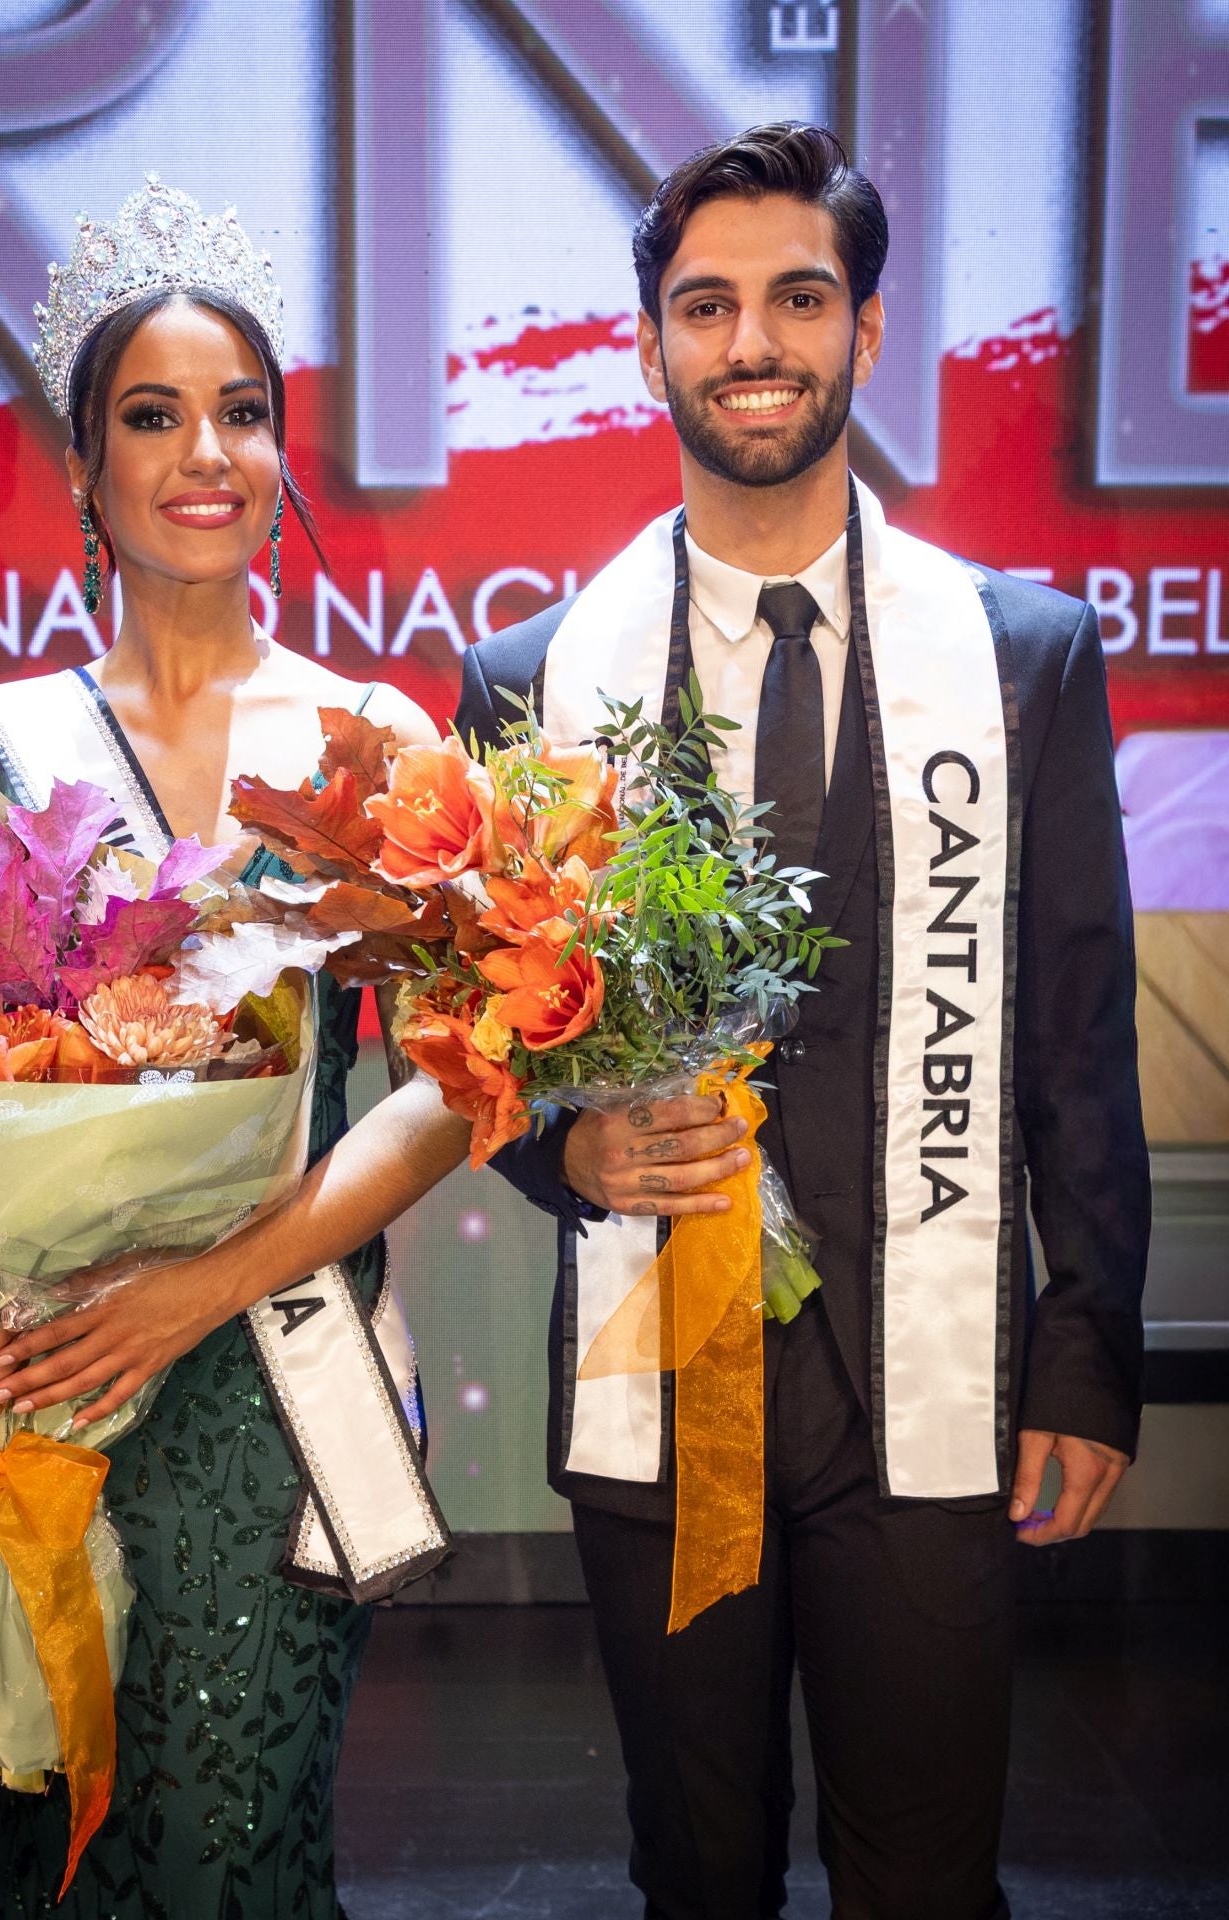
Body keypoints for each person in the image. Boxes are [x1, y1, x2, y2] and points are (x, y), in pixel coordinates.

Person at [454, 123, 1150, 1920]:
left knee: (925, 1878)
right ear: (649, 345)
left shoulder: (1023, 655)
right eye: (707, 305)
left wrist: (1088, 1354)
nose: (750, 340)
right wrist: (566, 1144)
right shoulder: (535, 679)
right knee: (695, 1868)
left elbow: (1076, 1029)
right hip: (662, 1375)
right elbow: (472, 1040)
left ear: (865, 327)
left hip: (933, 1382)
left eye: (795, 297)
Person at [0, 178, 470, 1920]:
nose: (204, 453)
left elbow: (458, 1082)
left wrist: (211, 1279)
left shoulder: (371, 734)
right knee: (68, 1841)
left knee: (243, 1823)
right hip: (51, 1388)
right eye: (150, 417)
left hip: (279, 1372)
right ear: (82, 472)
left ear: (283, 454)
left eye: (240, 413)